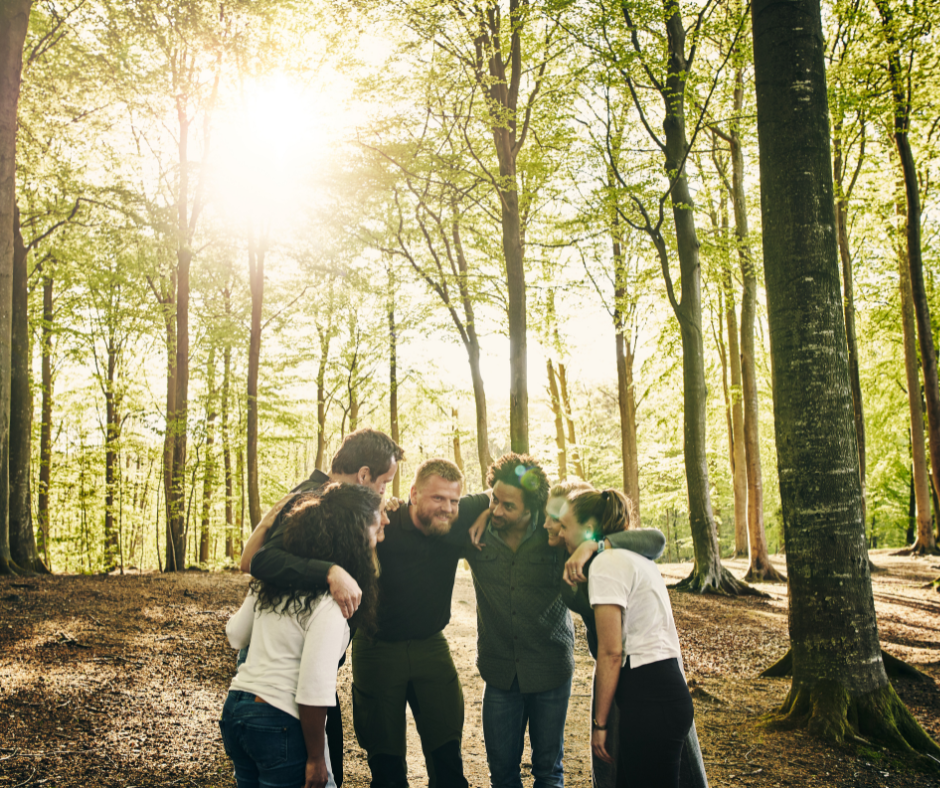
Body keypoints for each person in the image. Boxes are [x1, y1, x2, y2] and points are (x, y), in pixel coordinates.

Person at [464, 455, 668, 788]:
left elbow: (654, 540)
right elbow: (436, 505)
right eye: (494, 500)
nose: (498, 510)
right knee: (501, 775)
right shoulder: (478, 529)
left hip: (551, 670)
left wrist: (595, 544)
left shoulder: (555, 533)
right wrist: (486, 509)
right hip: (498, 673)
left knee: (549, 772)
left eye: (508, 506)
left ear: (532, 508)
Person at [240, 427, 403, 787]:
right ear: (364, 475)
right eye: (384, 484)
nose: (383, 492)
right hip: (288, 673)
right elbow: (259, 561)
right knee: (314, 770)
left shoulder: (338, 502)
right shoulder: (312, 499)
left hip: (309, 662)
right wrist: (330, 571)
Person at [545, 483, 709, 788]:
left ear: (589, 529)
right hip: (662, 689)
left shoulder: (606, 563)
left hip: (648, 694)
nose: (559, 531)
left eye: (564, 525)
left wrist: (600, 725)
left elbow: (611, 652)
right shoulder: (637, 558)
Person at [220, 484, 383, 788]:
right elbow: (313, 689)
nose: (380, 538)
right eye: (376, 530)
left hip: (236, 711)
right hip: (279, 721)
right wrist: (316, 758)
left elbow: (236, 635)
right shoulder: (332, 604)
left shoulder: (270, 584)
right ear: (354, 538)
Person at [350, 458, 490, 788]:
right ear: (413, 493)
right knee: (386, 766)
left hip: (431, 645)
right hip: (376, 646)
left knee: (448, 759)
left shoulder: (458, 516)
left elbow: (499, 491)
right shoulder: (383, 521)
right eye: (438, 498)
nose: (448, 508)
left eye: (454, 500)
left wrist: (486, 512)